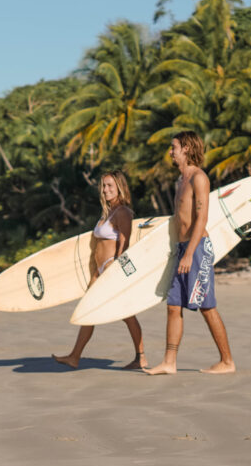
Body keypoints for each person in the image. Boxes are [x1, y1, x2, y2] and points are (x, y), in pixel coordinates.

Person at [145, 131, 235, 375]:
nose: (170, 152)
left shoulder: (199, 178)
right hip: (182, 248)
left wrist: (189, 254)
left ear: (186, 148)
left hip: (197, 250)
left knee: (206, 306)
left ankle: (227, 361)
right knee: (174, 306)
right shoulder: (180, 180)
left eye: (173, 147)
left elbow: (201, 218)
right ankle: (169, 362)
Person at [54, 170, 147, 370]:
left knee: (127, 314)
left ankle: (141, 357)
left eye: (110, 186)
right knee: (91, 310)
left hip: (111, 269)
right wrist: (95, 272)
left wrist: (115, 272)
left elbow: (124, 242)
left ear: (119, 188)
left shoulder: (123, 212)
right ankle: (75, 356)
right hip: (99, 270)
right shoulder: (107, 212)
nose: (105, 190)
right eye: (103, 186)